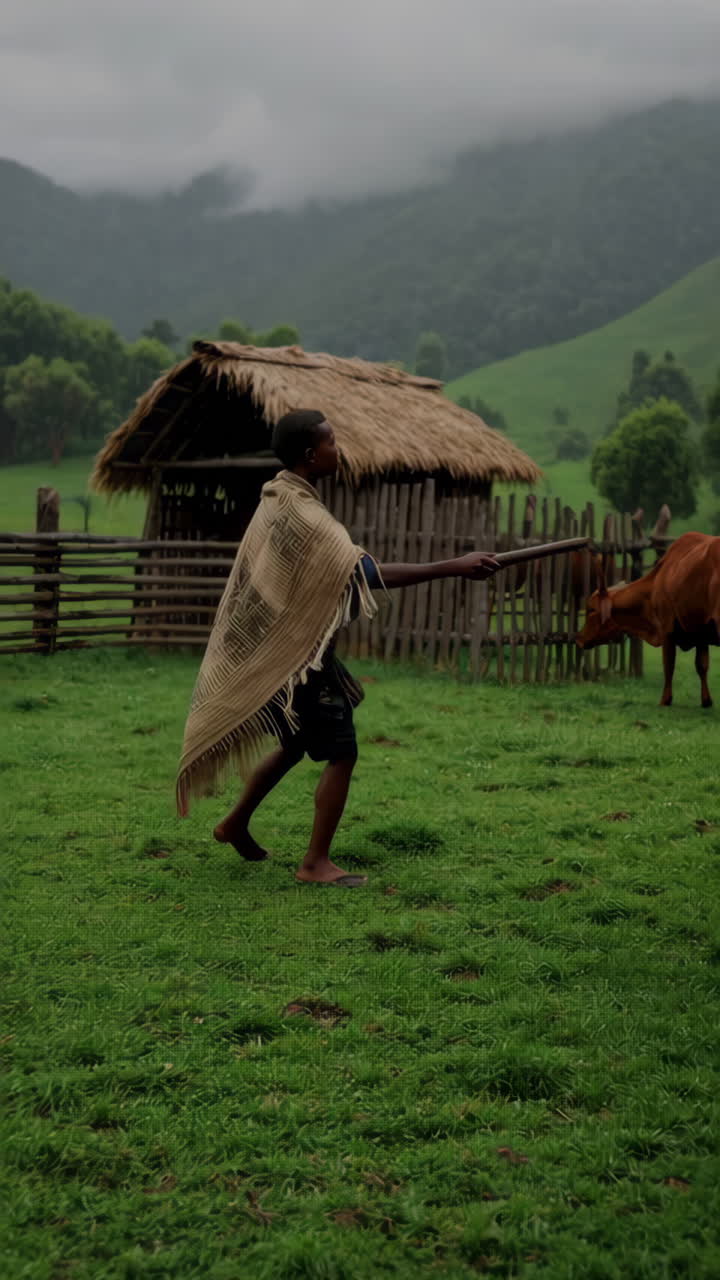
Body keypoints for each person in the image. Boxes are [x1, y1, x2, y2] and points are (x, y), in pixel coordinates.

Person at [176, 409, 499, 887]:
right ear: (311, 454)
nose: (338, 448)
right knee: (342, 751)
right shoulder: (302, 513)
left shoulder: (281, 498)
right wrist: (453, 566)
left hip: (288, 653)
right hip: (296, 658)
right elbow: (361, 573)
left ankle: (235, 823)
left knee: (295, 745)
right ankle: (314, 864)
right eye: (331, 442)